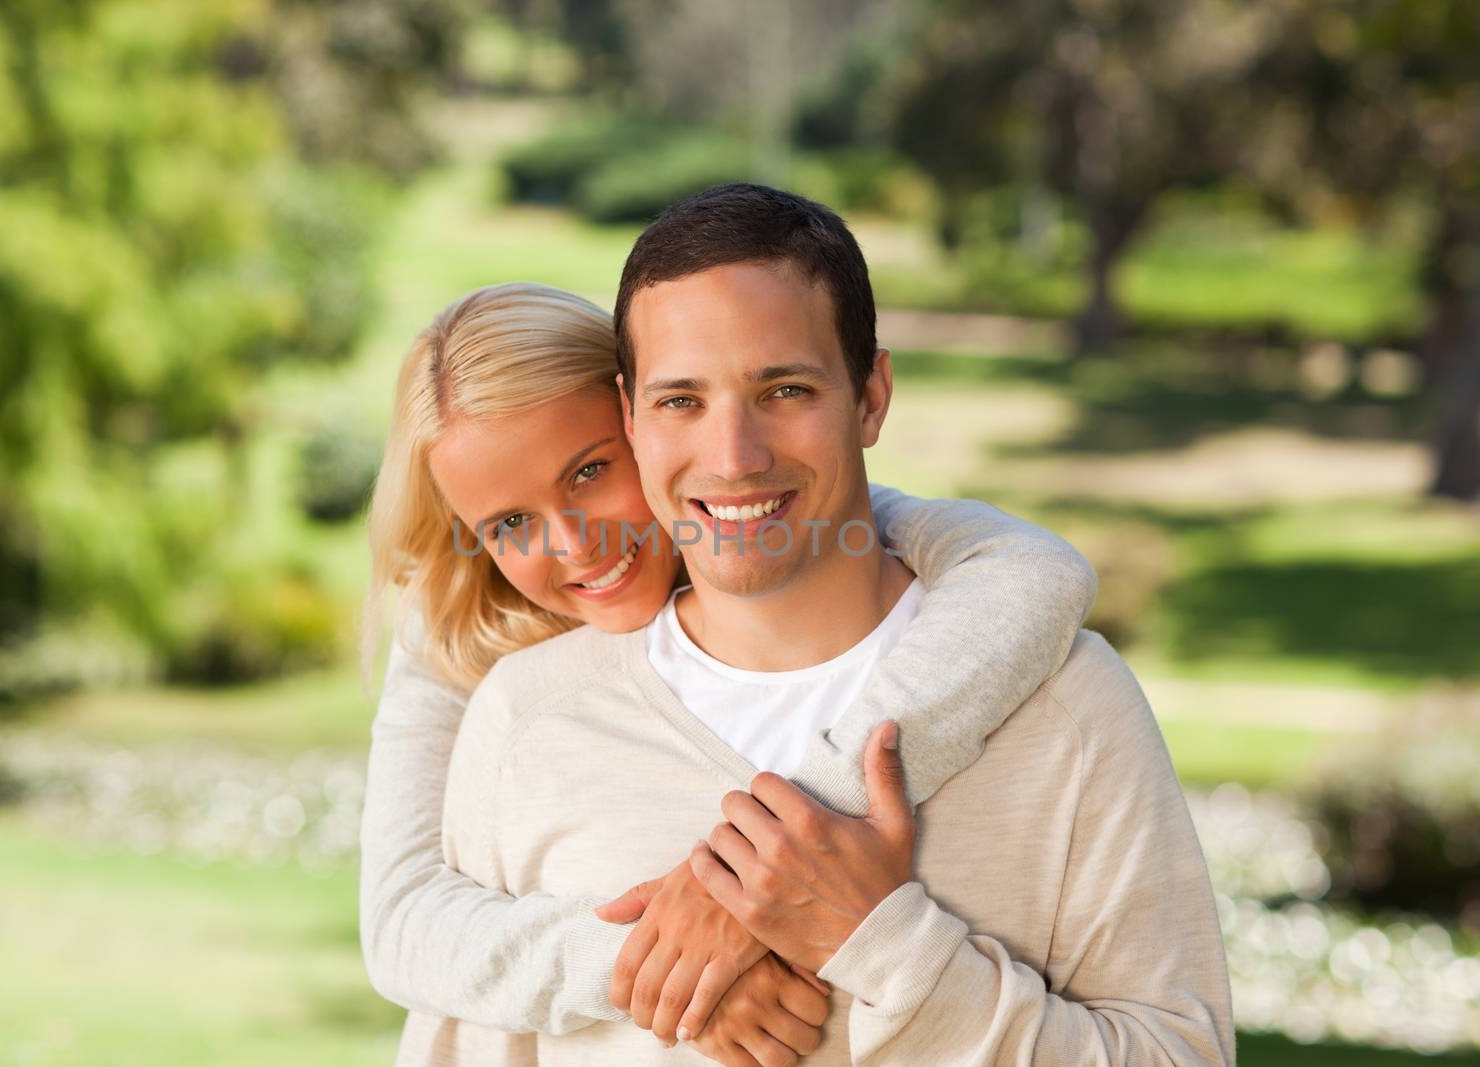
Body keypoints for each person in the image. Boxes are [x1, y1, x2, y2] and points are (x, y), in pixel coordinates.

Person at [429, 185, 1235, 1065]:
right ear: (630, 415)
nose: (734, 458)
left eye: (783, 389)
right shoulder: (527, 721)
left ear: (872, 395)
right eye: (681, 401)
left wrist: (889, 945)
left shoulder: (1070, 709)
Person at [359, 281, 1100, 1065]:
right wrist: (666, 970)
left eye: (588, 472)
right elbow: (405, 923)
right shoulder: (457, 632)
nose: (574, 543)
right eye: (510, 523)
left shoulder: (782, 519)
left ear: (647, 419)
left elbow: (1036, 571)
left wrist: (768, 866)